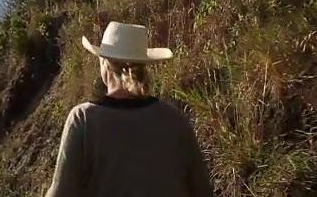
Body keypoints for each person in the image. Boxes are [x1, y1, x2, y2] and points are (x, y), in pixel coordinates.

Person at [45, 21, 214, 197]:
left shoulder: (84, 120)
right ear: (143, 67)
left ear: (105, 64)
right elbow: (202, 190)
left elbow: (61, 192)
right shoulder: (174, 119)